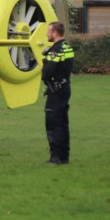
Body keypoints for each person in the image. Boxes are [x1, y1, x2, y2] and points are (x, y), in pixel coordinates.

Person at [42, 21, 74, 164]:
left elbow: (47, 72)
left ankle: (55, 157)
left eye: (49, 31)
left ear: (55, 33)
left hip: (56, 90)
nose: (47, 34)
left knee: (53, 123)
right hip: (65, 88)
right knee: (63, 123)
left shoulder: (55, 51)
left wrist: (45, 61)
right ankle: (64, 156)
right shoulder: (67, 47)